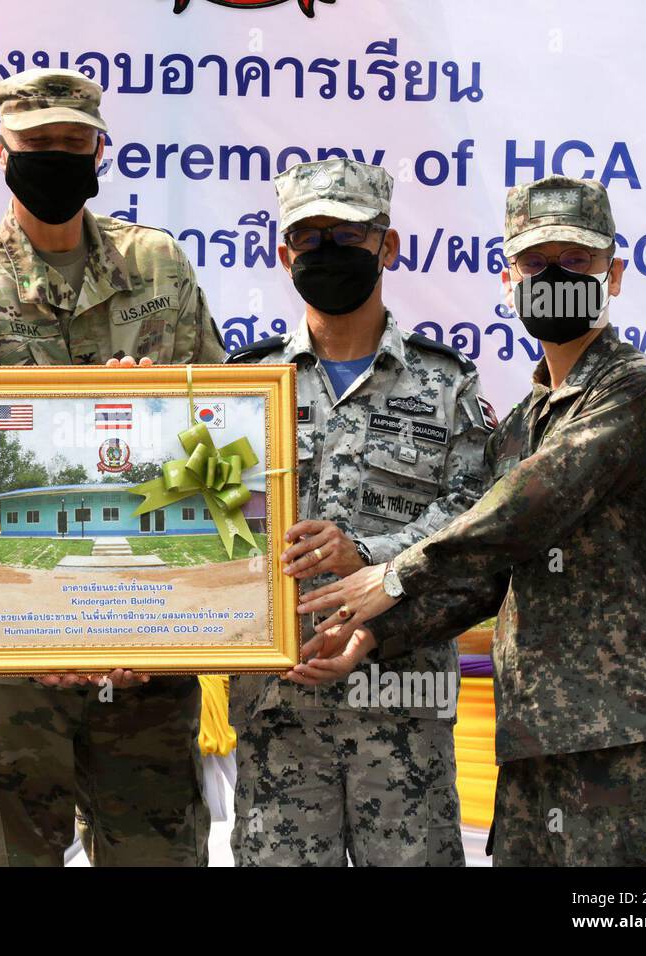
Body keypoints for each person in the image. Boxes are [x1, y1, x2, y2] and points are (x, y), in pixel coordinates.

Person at [298, 176, 646, 866]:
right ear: (506, 279)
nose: (554, 276)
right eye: (535, 262)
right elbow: (485, 576)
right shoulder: (519, 423)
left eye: (575, 261)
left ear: (614, 274)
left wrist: (394, 575)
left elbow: (526, 509)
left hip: (630, 742)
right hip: (536, 743)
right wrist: (373, 637)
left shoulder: (638, 390)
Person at [0, 68, 226, 866]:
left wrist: (163, 417)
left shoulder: (160, 268)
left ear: (100, 151)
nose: (55, 156)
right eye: (36, 144)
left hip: (147, 661)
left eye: (71, 143)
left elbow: (221, 453)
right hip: (12, 671)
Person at [223, 158, 494, 866]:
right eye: (310, 238)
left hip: (402, 708)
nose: (328, 251)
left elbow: (475, 521)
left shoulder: (446, 385)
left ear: (388, 246)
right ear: (284, 255)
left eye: (348, 235)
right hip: (275, 711)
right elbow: (206, 533)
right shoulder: (243, 386)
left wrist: (370, 555)